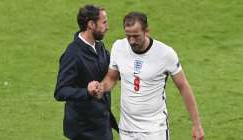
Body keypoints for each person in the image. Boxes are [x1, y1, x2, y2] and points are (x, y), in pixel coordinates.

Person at [88, 12, 205, 140]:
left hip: (154, 129)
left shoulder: (165, 54)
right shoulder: (119, 47)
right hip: (127, 128)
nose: (132, 41)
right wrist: (101, 87)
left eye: (136, 36)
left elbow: (183, 86)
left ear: (146, 31)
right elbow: (111, 78)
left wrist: (197, 125)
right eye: (128, 36)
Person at [54, 5, 118, 140]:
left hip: (102, 123)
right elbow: (60, 91)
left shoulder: (98, 46)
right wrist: (87, 92)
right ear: (91, 24)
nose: (107, 27)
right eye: (104, 22)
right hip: (84, 131)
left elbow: (111, 72)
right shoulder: (73, 54)